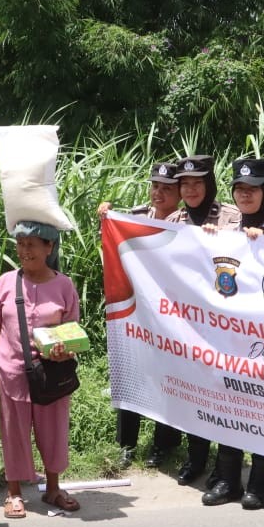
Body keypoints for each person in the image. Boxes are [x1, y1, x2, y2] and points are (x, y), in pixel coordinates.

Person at [199, 158, 264, 509]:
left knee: (263, 411)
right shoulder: (222, 228)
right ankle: (227, 480)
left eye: (253, 188)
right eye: (240, 188)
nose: (245, 194)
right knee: (229, 407)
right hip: (227, 339)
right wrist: (206, 241)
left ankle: (259, 483)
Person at [0, 221, 82, 518]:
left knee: (53, 431)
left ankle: (53, 489)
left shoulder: (64, 286)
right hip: (12, 373)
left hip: (51, 374)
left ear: (49, 247)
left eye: (32, 244)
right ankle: (14, 494)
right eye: (21, 243)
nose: (25, 251)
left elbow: (73, 331)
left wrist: (66, 350)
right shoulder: (5, 283)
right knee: (13, 433)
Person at [97, 161, 184, 467]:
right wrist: (105, 218)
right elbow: (110, 243)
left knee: (168, 376)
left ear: (180, 194)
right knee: (130, 371)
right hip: (133, 309)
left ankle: (164, 445)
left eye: (167, 189)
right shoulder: (133, 217)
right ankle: (128, 444)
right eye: (155, 186)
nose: (158, 193)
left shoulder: (185, 223)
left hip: (170, 313)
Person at [166, 155, 241, 486]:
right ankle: (196, 458)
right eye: (184, 183)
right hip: (188, 325)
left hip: (226, 327)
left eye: (197, 182)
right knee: (194, 394)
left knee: (225, 397)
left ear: (209, 183)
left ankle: (225, 470)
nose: (191, 189)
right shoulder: (173, 219)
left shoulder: (231, 217)